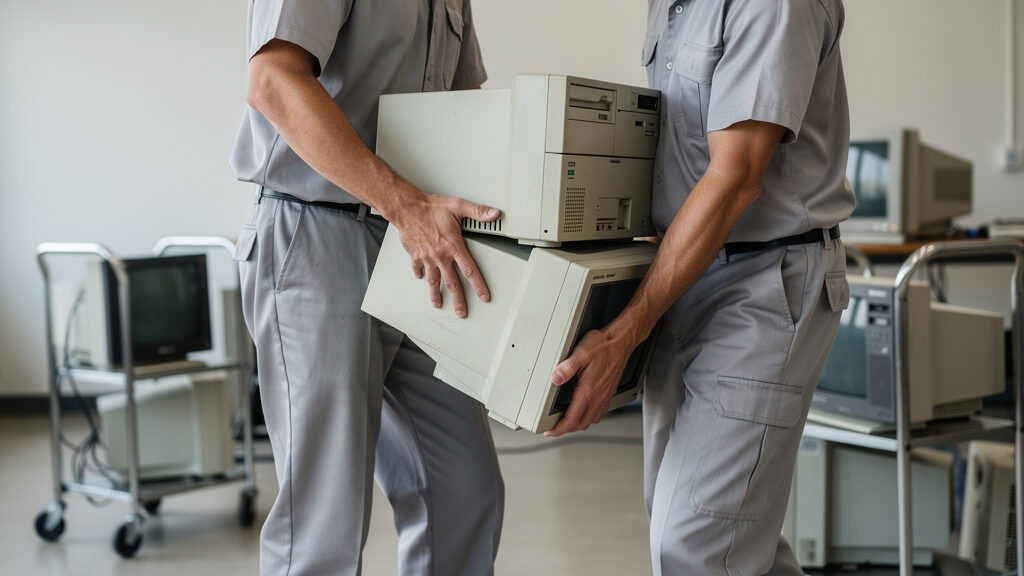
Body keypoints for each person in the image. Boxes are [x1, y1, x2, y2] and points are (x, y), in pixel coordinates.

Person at [545, 1, 855, 574]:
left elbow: (734, 177)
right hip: (685, 275)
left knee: (696, 540)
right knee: (714, 527)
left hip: (764, 285)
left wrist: (622, 334)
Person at [228, 2, 505, 575]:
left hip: (418, 245)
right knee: (324, 523)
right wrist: (405, 207)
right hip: (318, 233)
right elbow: (273, 80)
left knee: (463, 494)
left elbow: (465, 104)